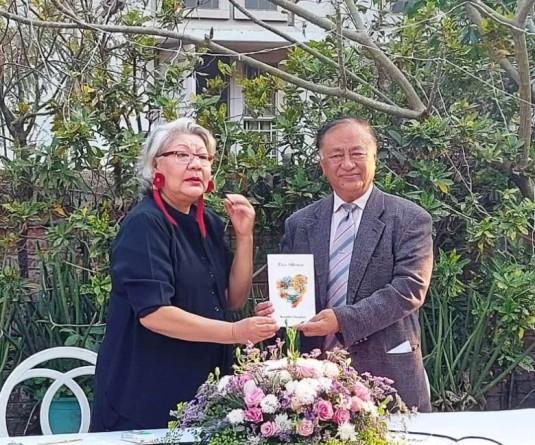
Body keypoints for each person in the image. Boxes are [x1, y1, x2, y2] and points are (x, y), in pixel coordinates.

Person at [90, 118, 279, 432]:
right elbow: (155, 314)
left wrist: (245, 236)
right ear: (156, 166)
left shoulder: (209, 221)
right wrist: (235, 332)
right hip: (148, 391)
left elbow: (232, 300)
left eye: (203, 157)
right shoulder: (145, 223)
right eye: (182, 155)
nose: (195, 164)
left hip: (205, 385)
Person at [256, 116, 433, 412]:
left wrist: (342, 320)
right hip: (313, 382)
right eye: (336, 155)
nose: (347, 164)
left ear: (374, 157)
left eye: (357, 153)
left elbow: (409, 289)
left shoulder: (409, 219)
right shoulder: (300, 223)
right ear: (322, 164)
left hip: (387, 373)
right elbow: (292, 289)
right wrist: (276, 310)